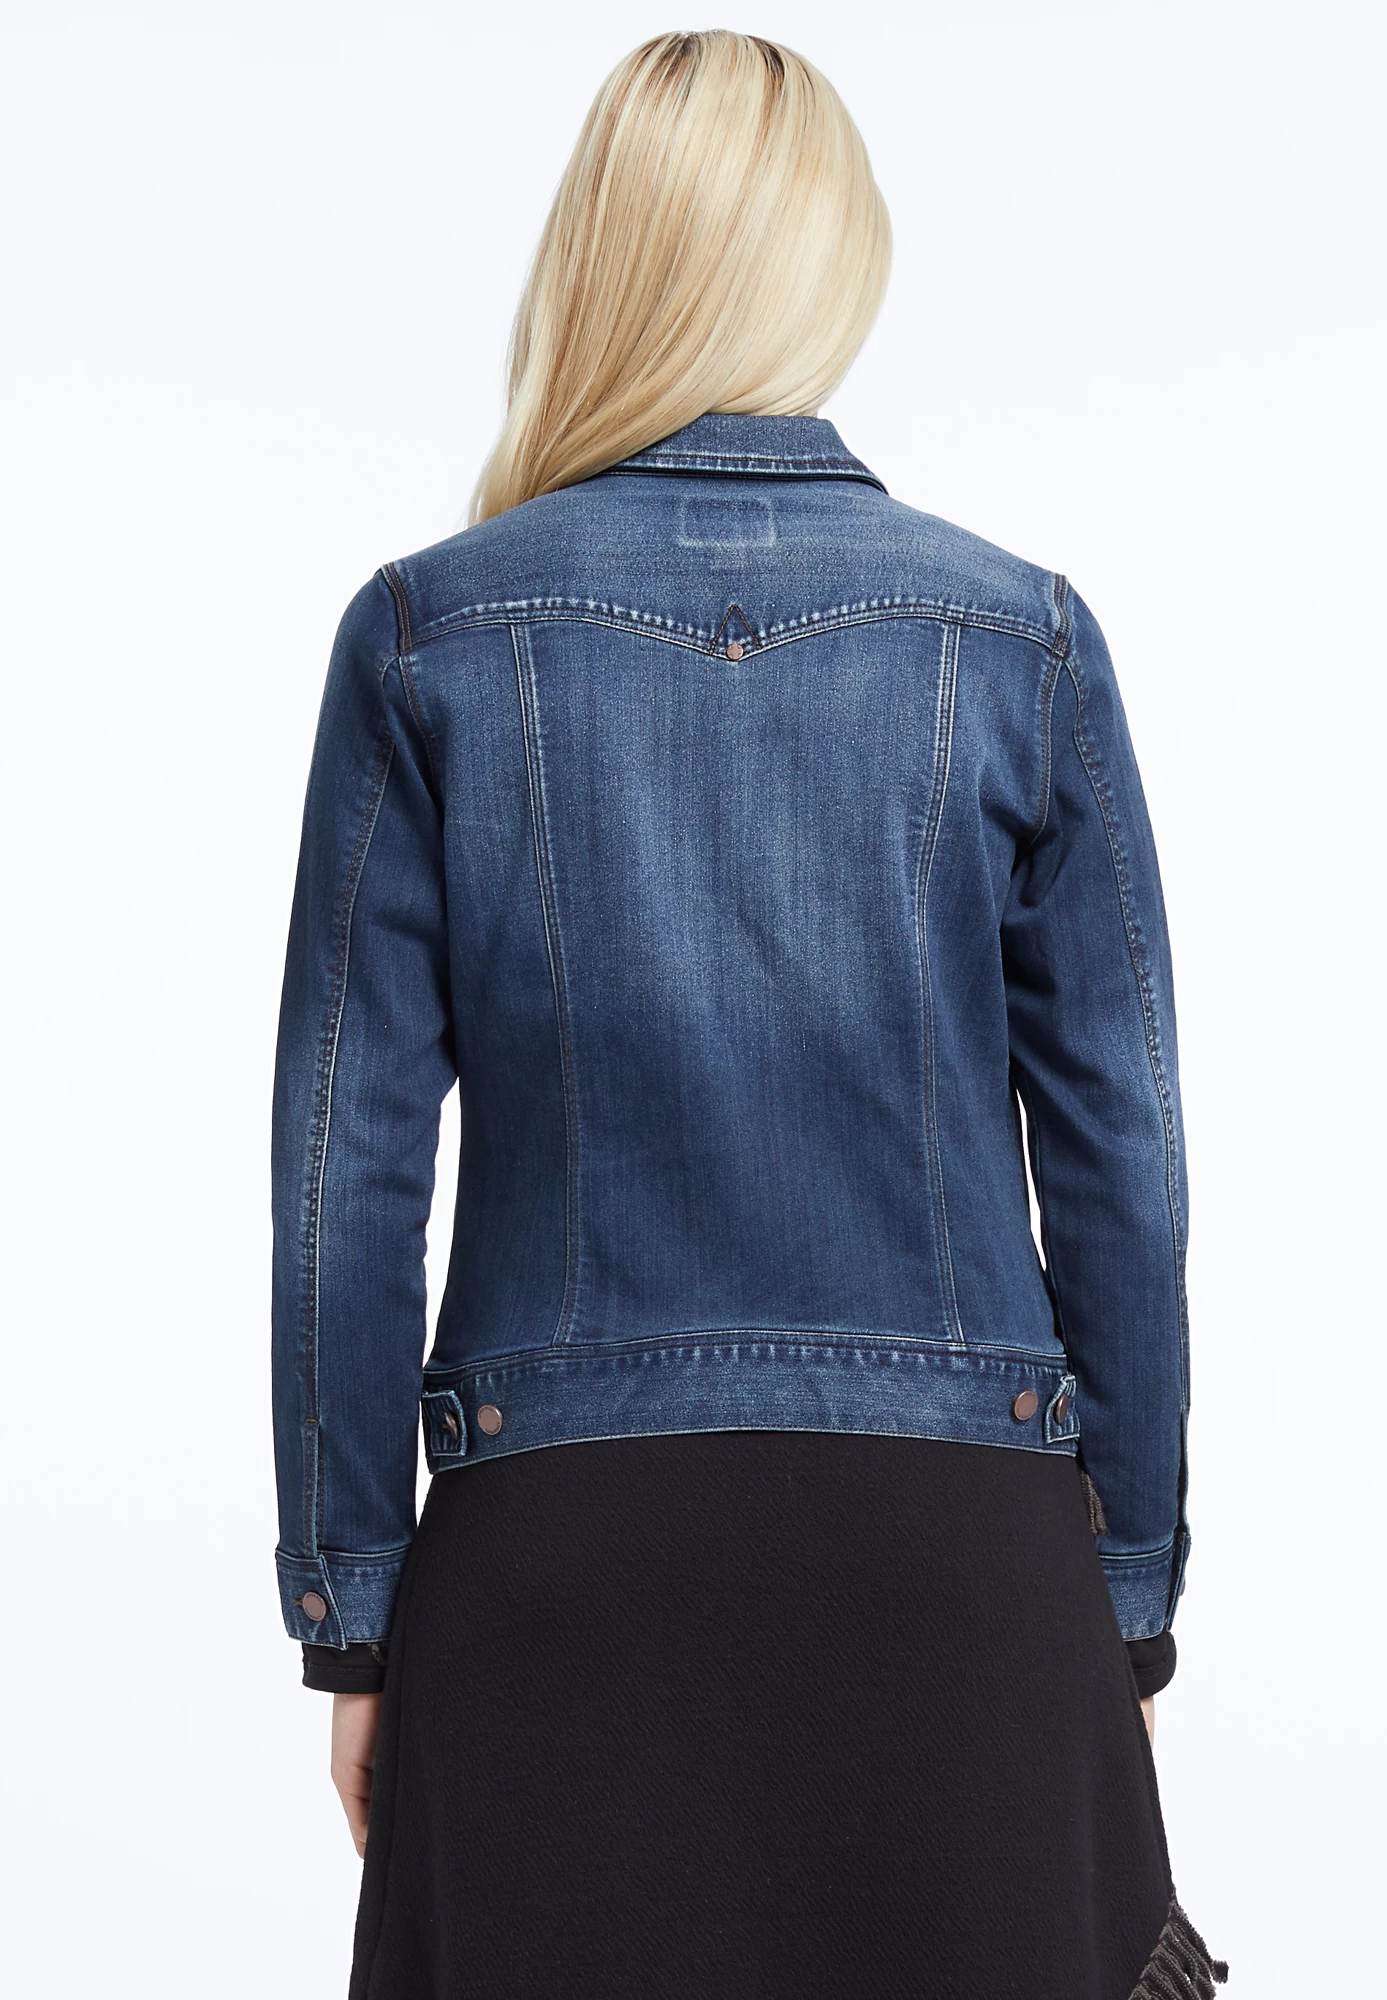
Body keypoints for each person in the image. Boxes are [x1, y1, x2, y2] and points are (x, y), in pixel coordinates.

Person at [271, 29, 1227, 1999]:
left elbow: (343, 1172)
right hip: (964, 1567)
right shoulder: (1020, 639)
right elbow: (1122, 1158)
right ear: (828, 263)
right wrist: (1123, 1597)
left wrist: (355, 1612)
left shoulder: (431, 636)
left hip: (558, 1570)